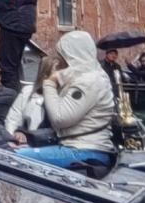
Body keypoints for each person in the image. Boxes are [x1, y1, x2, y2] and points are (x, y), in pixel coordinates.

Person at [29, 29, 116, 171]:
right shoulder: (93, 76)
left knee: (11, 157)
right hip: (84, 148)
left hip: (84, 151)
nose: (60, 59)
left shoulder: (87, 82)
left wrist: (49, 83)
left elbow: (60, 118)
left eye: (62, 55)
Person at [5, 53, 52, 144]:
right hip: (29, 145)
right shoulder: (28, 91)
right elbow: (13, 119)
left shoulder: (66, 96)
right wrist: (15, 136)